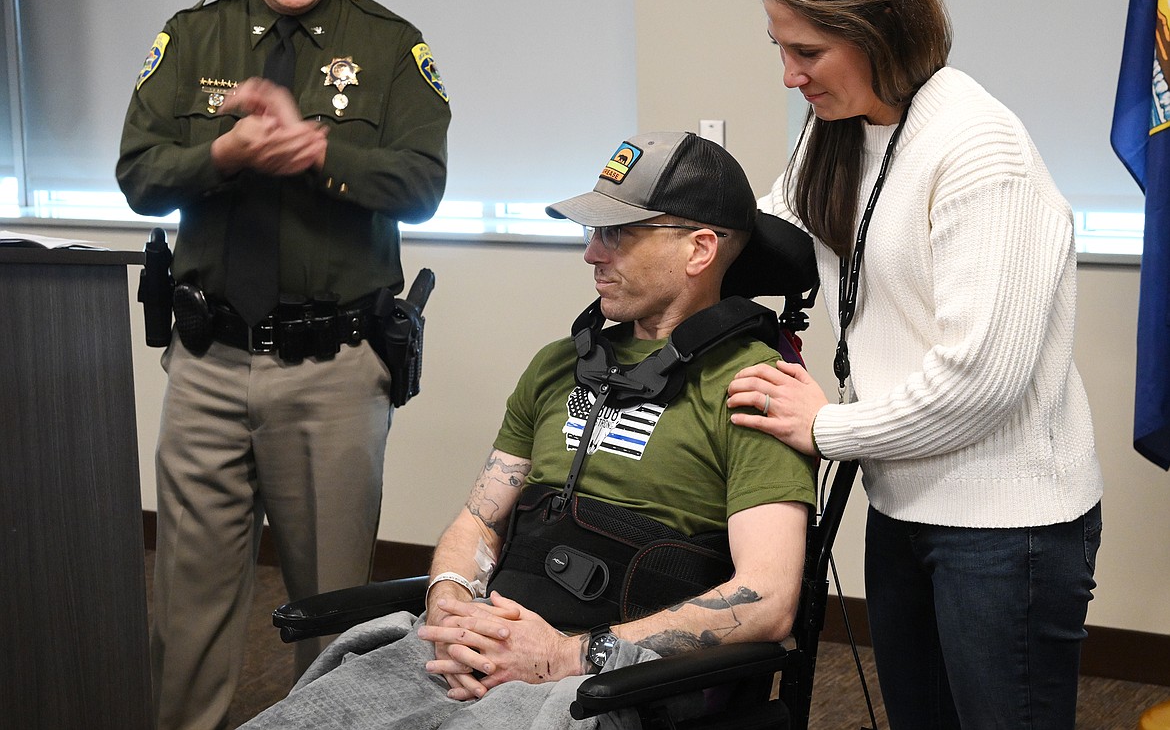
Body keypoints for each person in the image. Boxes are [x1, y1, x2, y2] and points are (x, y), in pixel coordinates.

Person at [240, 131, 818, 730]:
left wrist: (568, 654)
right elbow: (478, 521)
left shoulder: (759, 388)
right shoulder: (558, 365)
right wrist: (450, 610)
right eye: (591, 233)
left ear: (699, 250)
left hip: (608, 675)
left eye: (616, 234)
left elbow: (770, 600)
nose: (593, 254)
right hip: (480, 643)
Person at [726, 0, 1104, 729]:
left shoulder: (978, 147)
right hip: (905, 502)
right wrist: (667, 228)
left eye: (808, 51)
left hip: (1008, 527)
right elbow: (766, 236)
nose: (791, 75)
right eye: (780, 49)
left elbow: (979, 383)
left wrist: (825, 427)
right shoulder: (840, 130)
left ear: (878, 29)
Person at [116, 0, 449, 730]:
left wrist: (315, 151)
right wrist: (222, 156)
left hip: (332, 372)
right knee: (188, 615)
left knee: (336, 613)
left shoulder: (387, 45)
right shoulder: (193, 41)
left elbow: (422, 183)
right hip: (207, 365)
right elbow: (140, 174)